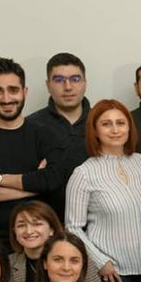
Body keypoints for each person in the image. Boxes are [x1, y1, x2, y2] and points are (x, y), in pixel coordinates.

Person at [65, 99, 141, 282]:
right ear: (94, 130)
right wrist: (101, 262)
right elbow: (72, 227)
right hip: (113, 275)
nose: (115, 129)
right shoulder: (84, 173)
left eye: (120, 123)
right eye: (106, 124)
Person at [0, 58, 68, 239]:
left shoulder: (47, 134)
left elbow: (54, 179)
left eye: (13, 90)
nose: (6, 99)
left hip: (39, 237)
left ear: (24, 91)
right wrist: (35, 187)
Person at [26, 53, 93, 197]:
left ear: (85, 83)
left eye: (75, 79)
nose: (68, 87)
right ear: (48, 85)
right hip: (46, 209)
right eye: (58, 80)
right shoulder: (30, 126)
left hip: (97, 210)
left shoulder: (103, 122)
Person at [7, 201, 100, 282]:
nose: (29, 231)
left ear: (51, 229)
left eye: (37, 224)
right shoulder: (8, 263)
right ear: (14, 231)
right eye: (21, 225)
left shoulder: (75, 257)